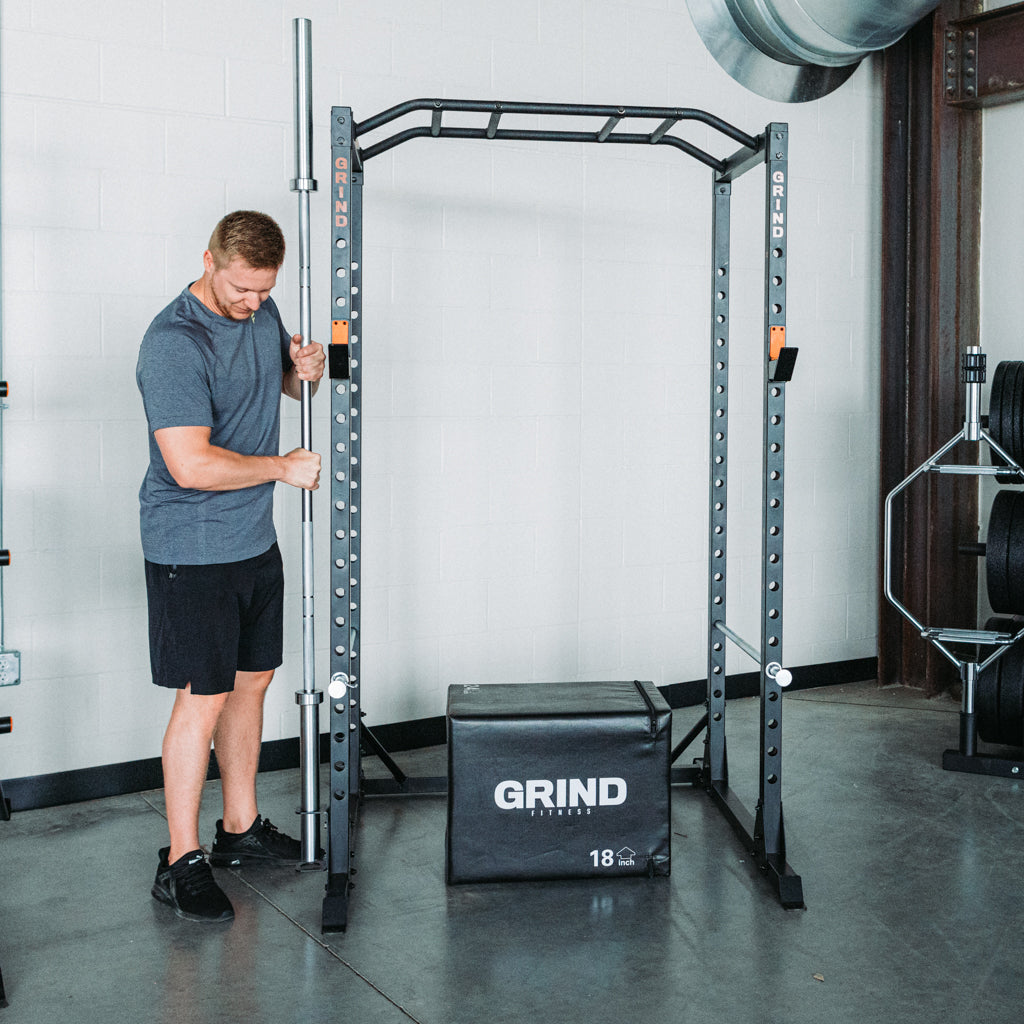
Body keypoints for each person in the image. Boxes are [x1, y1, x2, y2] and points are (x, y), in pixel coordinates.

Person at [136, 210, 326, 923]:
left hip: (251, 540)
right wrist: (281, 467)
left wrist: (300, 370)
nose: (252, 304)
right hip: (193, 547)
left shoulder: (262, 307)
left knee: (252, 684)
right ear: (209, 259)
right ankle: (180, 858)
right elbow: (189, 464)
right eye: (241, 289)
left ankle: (239, 831)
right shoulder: (173, 343)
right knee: (203, 698)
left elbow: (278, 383)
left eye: (262, 291)